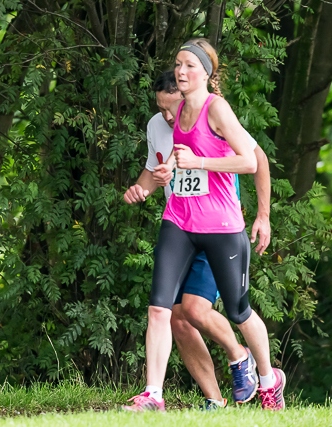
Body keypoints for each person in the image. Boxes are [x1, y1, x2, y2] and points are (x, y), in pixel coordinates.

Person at [122, 38, 285, 412]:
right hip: (179, 219)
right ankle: (153, 395)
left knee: (239, 311)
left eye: (189, 66)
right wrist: (164, 172)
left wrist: (200, 163)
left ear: (207, 75)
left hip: (222, 224)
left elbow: (250, 161)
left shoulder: (218, 109)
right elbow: (176, 162)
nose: (181, 72)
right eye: (177, 65)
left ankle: (267, 378)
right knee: (160, 308)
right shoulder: (173, 114)